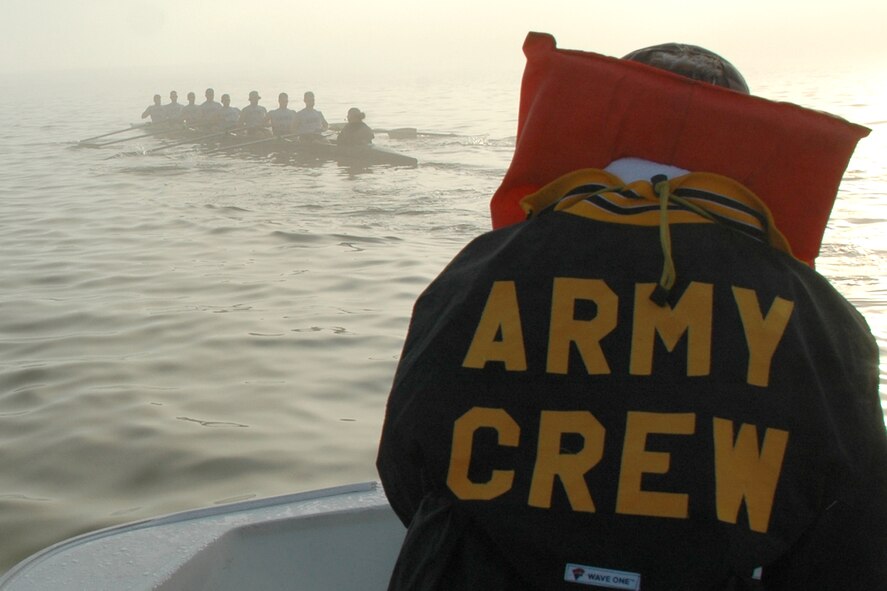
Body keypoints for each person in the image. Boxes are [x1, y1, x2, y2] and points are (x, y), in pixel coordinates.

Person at [377, 35, 886, 591]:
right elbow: (850, 518)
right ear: (745, 135)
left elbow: (405, 461)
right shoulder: (814, 311)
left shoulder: (480, 271)